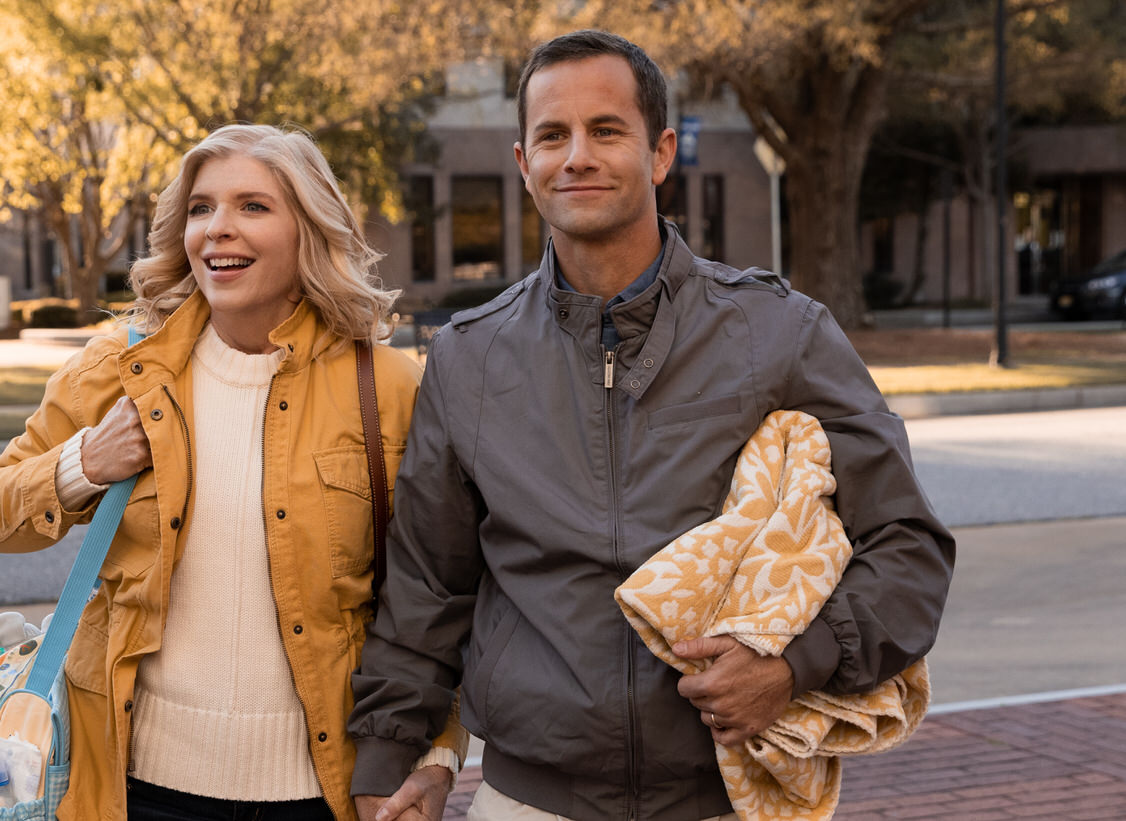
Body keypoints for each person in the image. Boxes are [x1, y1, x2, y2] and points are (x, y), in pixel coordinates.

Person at [348, 30, 955, 821]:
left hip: (727, 799)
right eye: (552, 136)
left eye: (606, 130)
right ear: (523, 163)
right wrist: (397, 755)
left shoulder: (782, 332)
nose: (578, 157)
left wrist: (793, 663)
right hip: (528, 800)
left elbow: (909, 546)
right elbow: (427, 587)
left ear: (661, 151)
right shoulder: (469, 358)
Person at [0, 123, 466, 821]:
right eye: (201, 208)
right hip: (134, 787)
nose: (218, 230)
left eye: (253, 207)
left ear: (308, 228)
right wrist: (84, 462)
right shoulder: (120, 368)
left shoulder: (387, 387)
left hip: (323, 790)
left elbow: (438, 595)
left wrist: (437, 753)